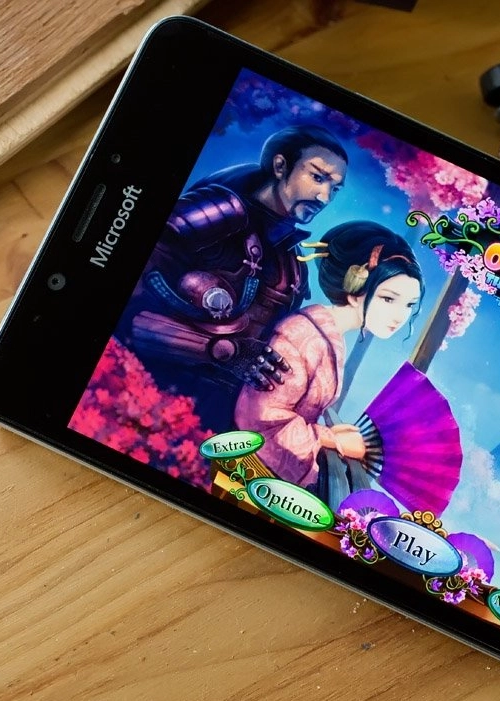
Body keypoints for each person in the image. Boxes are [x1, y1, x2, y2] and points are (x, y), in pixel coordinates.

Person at [119, 125, 349, 427]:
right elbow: (127, 310)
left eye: (335, 188)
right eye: (317, 177)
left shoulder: (293, 267)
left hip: (219, 419)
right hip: (145, 396)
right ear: (280, 166)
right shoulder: (215, 213)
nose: (324, 197)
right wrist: (222, 351)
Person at [234, 220, 425, 490]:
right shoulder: (301, 335)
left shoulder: (329, 334)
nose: (399, 316)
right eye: (388, 299)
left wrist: (330, 435)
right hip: (246, 472)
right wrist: (331, 440)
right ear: (354, 289)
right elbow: (258, 421)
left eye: (409, 305)